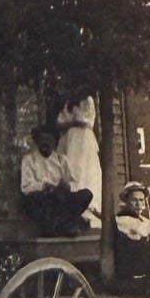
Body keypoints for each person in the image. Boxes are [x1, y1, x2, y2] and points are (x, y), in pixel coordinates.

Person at [18, 123, 93, 233]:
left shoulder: (62, 159)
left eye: (49, 140)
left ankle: (59, 226)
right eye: (42, 140)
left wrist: (67, 186)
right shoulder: (29, 160)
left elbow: (73, 182)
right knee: (35, 199)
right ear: (36, 141)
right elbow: (26, 186)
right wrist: (43, 186)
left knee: (86, 194)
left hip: (60, 199)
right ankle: (65, 226)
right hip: (43, 199)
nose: (46, 143)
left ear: (54, 141)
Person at [55, 94, 104, 230]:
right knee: (69, 169)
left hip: (82, 139)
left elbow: (85, 121)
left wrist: (70, 122)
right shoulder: (68, 102)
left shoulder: (87, 99)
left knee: (83, 169)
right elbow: (59, 122)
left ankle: (88, 210)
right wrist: (70, 122)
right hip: (69, 139)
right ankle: (72, 211)